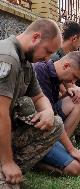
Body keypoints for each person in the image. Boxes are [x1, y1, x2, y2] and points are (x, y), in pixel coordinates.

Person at [0, 18, 63, 188]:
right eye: (47, 51)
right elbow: (0, 114)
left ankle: (11, 171)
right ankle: (6, 169)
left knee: (55, 123)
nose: (47, 58)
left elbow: (39, 97)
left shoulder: (25, 62)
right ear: (36, 37)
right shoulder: (7, 58)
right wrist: (6, 162)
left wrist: (48, 111)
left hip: (5, 132)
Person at [34, 51, 80, 176]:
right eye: (75, 77)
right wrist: (70, 149)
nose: (74, 81)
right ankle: (34, 161)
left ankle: (57, 146)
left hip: (50, 125)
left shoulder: (56, 76)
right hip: (35, 131)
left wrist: (69, 92)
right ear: (66, 66)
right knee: (76, 168)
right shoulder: (40, 71)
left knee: (78, 102)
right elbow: (50, 116)